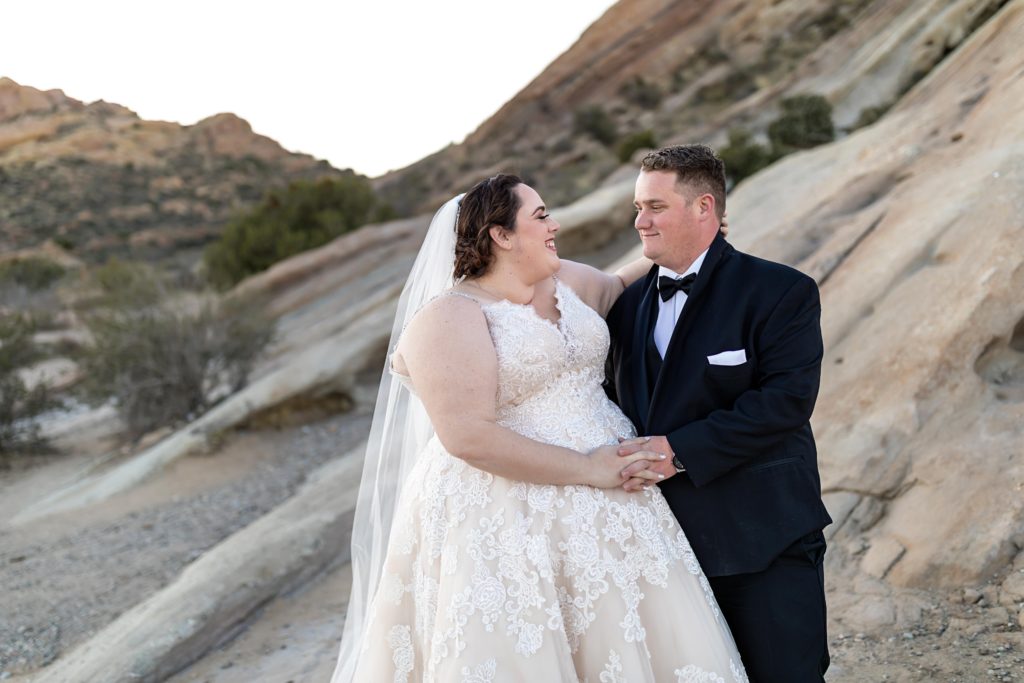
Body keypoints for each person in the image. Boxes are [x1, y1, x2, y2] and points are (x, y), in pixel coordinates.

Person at [331, 174, 748, 682]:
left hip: (615, 501)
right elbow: (468, 437)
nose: (555, 225)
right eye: (541, 216)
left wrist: (692, 239)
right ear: (502, 235)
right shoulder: (450, 318)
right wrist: (588, 468)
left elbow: (617, 285)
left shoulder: (564, 280)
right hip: (506, 508)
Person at [607, 145, 832, 681]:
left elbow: (785, 402)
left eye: (655, 207)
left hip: (765, 538)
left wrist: (678, 452)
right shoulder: (625, 308)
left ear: (704, 207)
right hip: (663, 549)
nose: (640, 221)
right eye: (638, 207)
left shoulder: (781, 292)